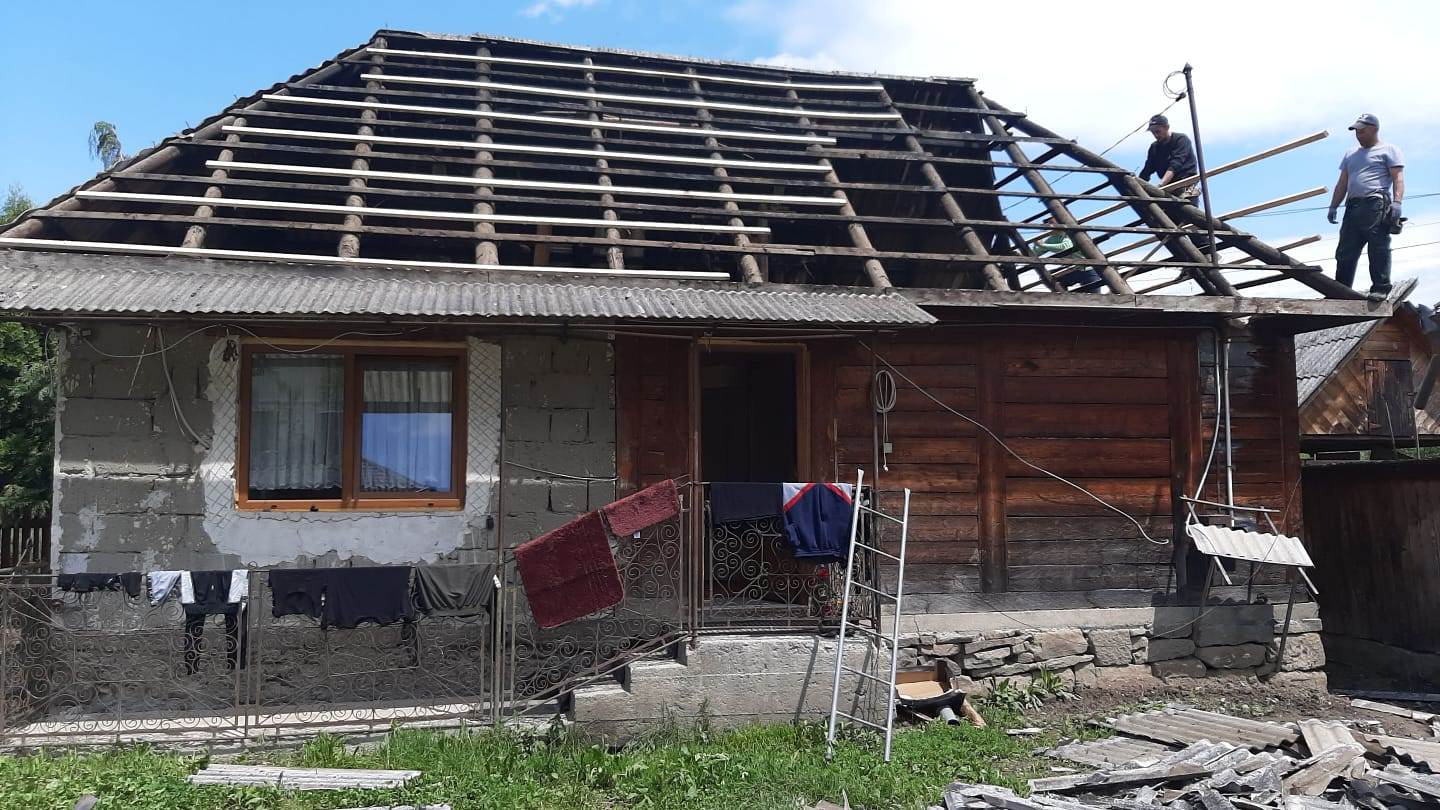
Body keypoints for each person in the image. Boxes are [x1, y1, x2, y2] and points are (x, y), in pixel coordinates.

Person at [1327, 113, 1405, 301]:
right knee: (1345, 252)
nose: (1358, 134)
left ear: (1374, 129)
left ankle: (1380, 288)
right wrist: (1333, 206)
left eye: (1362, 131)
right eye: (1356, 131)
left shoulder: (1389, 150)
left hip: (1375, 204)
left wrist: (1397, 202)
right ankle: (1341, 291)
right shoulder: (1350, 154)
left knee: (1378, 246)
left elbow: (1398, 178)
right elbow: (1342, 183)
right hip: (1352, 206)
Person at [1139, 115, 1200, 200]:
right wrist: (1137, 184)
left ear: (1167, 127)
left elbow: (1175, 165)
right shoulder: (1154, 148)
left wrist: (1160, 185)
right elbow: (1147, 170)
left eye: (1158, 131)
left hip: (1186, 183)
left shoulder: (1181, 140)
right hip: (1168, 186)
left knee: (1185, 202)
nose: (1156, 135)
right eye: (1153, 132)